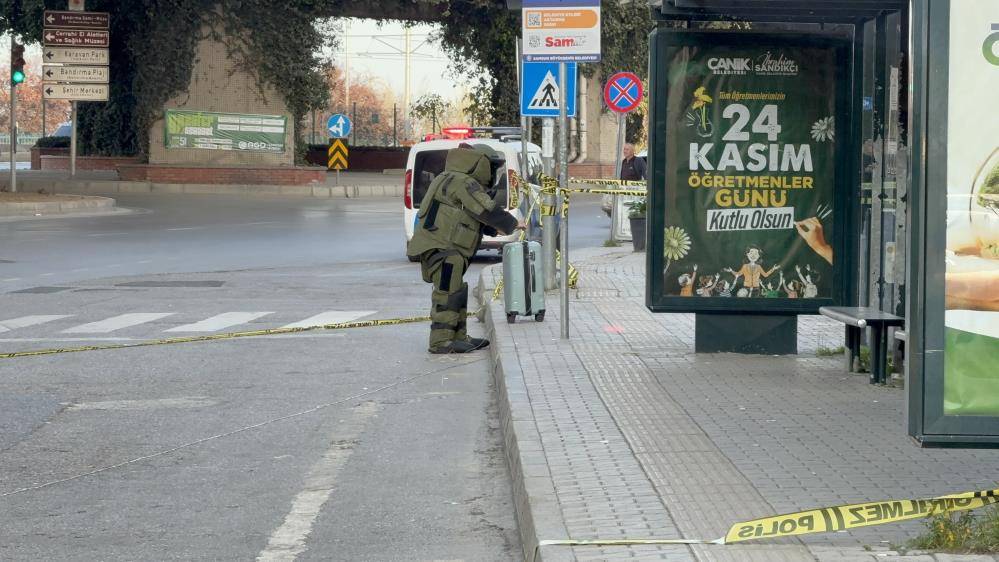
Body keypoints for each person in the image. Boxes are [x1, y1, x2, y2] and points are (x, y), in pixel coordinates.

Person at [407, 144, 526, 354]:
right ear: (480, 163)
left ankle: (458, 337)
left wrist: (492, 230)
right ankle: (441, 341)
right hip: (443, 248)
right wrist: (513, 223)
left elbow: (468, 214)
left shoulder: (449, 177)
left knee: (456, 291)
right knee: (447, 294)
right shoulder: (463, 182)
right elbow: (485, 208)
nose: (492, 174)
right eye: (491, 167)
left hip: (444, 247)